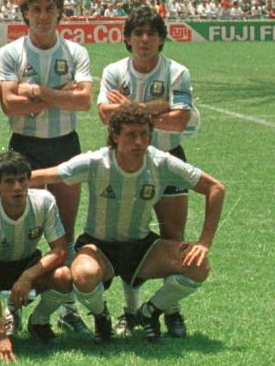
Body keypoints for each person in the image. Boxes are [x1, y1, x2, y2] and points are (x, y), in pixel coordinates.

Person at [30, 103, 225, 343]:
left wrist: (204, 242)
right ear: (114, 135)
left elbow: (215, 188)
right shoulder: (95, 162)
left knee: (199, 265)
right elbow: (41, 176)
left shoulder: (161, 162)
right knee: (82, 274)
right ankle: (102, 317)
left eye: (144, 134)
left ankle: (149, 312)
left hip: (142, 247)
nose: (139, 142)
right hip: (99, 247)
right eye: (131, 135)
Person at [0, 0, 93, 334]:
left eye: (50, 9)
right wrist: (58, 94)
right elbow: (9, 103)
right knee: (15, 227)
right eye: (35, 9)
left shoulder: (75, 52)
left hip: (65, 144)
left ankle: (65, 308)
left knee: (63, 232)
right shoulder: (11, 52)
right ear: (25, 14)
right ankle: (12, 304)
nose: (43, 16)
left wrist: (34, 91)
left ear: (59, 14)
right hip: (24, 146)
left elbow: (83, 101)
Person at [97, 3, 199, 338]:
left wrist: (128, 109)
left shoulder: (177, 72)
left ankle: (169, 309)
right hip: (126, 164)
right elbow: (104, 115)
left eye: (151, 33)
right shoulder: (114, 71)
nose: (144, 39)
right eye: (137, 33)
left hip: (168, 159)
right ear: (126, 38)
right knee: (130, 237)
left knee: (174, 238)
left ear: (161, 40)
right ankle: (129, 310)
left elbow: (180, 120)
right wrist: (157, 106)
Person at [0, 151, 72, 360]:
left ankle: (39, 321)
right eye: (9, 181)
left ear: (29, 180)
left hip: (27, 263)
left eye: (22, 180)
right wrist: (0, 336)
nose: (17, 187)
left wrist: (27, 277)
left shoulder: (44, 201)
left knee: (65, 276)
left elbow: (60, 250)